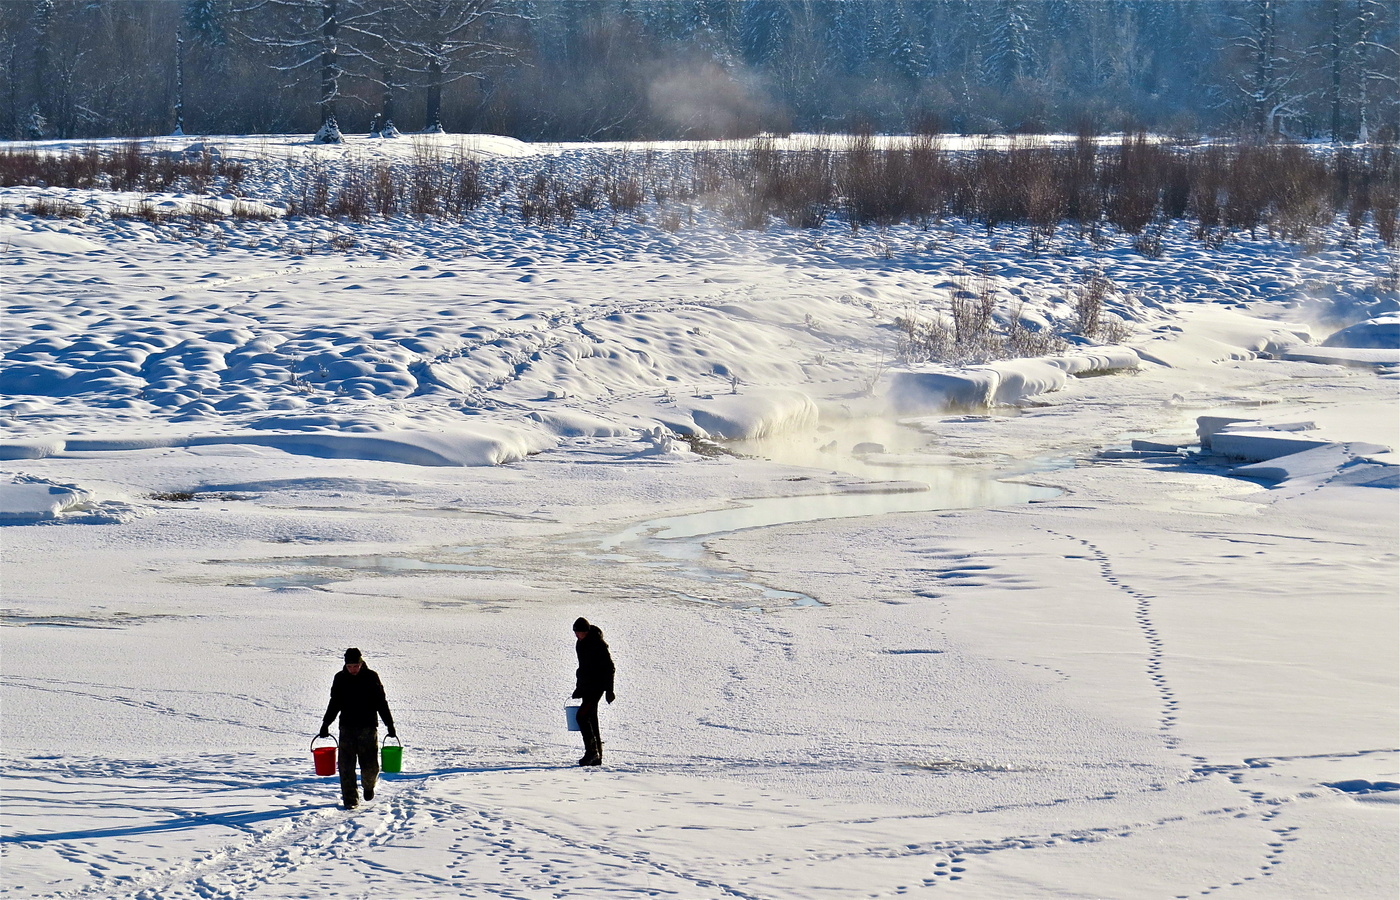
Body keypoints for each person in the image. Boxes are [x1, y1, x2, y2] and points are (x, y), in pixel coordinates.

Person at [318, 647, 397, 809]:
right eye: (349, 667)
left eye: (355, 666)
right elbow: (334, 703)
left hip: (367, 727)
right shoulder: (339, 679)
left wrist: (390, 724)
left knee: (370, 765)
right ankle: (350, 800)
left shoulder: (371, 677)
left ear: (361, 663)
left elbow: (381, 703)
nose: (353, 669)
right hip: (346, 727)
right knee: (345, 765)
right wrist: (326, 724)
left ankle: (368, 786)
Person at [571, 617, 616, 767]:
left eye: (579, 633)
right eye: (576, 633)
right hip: (587, 687)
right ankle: (597, 756)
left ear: (586, 632)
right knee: (591, 719)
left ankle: (591, 752)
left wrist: (610, 690)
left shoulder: (598, 644)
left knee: (582, 716)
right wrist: (579, 688)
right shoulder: (580, 644)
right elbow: (583, 668)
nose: (577, 635)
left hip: (597, 686)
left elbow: (609, 667)